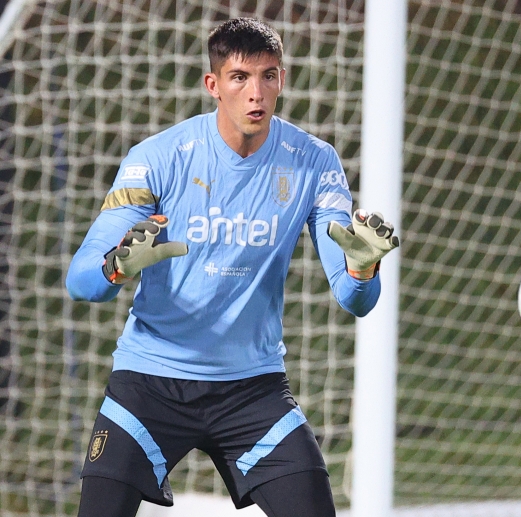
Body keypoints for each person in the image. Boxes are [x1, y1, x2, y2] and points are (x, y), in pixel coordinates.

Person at [66, 17, 399, 517]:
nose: (255, 92)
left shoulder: (313, 162)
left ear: (282, 81)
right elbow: (81, 279)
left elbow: (354, 300)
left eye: (268, 75)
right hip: (151, 383)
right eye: (240, 77)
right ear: (213, 85)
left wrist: (362, 268)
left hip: (252, 389)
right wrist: (116, 267)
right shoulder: (158, 158)